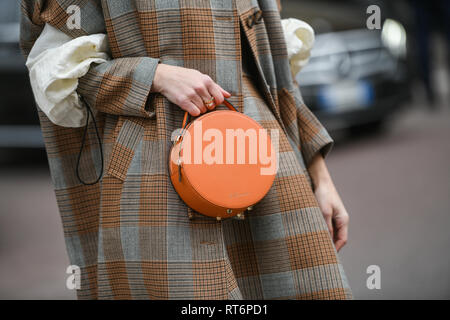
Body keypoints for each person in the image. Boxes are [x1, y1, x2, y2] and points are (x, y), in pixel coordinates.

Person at [20, 0, 352, 299]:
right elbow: (56, 73)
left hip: (264, 161)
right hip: (156, 178)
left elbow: (275, 65)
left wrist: (319, 174)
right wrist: (155, 76)